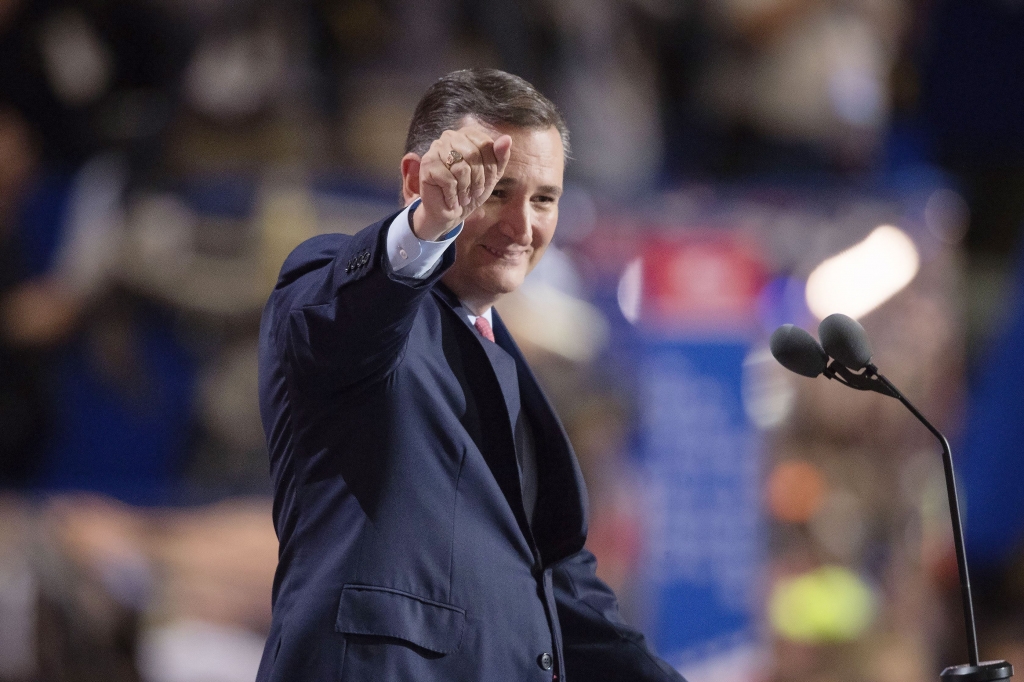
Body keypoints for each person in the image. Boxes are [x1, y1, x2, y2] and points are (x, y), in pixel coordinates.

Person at [256, 68, 684, 681]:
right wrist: (427, 227)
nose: (522, 227)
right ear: (414, 180)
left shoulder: (504, 356)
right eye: (495, 192)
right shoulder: (342, 288)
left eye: (544, 199)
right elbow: (344, 324)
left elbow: (563, 602)